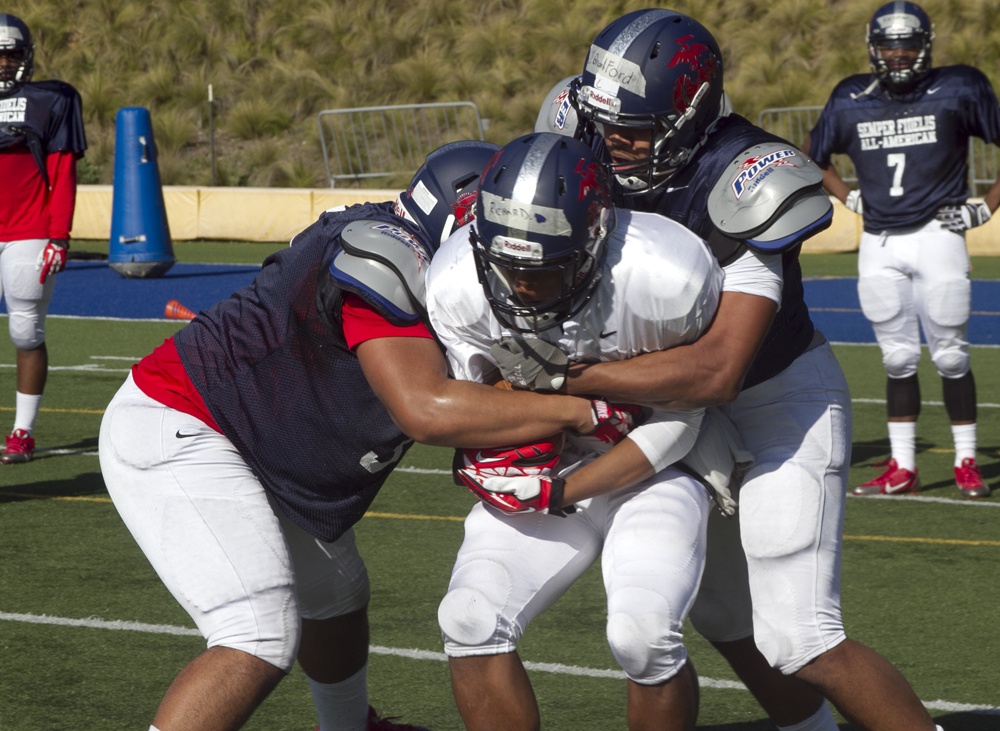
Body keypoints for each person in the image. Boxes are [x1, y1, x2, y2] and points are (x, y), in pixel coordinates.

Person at [500, 8, 948, 731]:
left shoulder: (746, 176)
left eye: (636, 129)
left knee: (801, 635)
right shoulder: (577, 120)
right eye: (604, 121)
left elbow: (718, 371)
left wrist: (567, 376)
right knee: (721, 612)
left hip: (775, 401)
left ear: (691, 114)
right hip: (662, 407)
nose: (611, 143)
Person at [98, 140, 626, 731]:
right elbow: (423, 410)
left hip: (263, 445)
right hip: (186, 425)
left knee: (339, 596)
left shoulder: (416, 248)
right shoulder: (389, 254)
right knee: (255, 633)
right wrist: (577, 413)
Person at [425, 132, 731, 730]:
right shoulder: (457, 279)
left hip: (656, 466)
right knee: (468, 617)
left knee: (643, 634)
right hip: (549, 464)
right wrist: (502, 453)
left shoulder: (666, 275)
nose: (519, 286)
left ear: (594, 240)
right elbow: (479, 404)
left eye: (542, 269)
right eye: (505, 265)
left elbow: (682, 416)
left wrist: (566, 490)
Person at [804, 0, 1000, 499]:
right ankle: (903, 466)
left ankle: (966, 461)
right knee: (896, 360)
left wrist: (985, 208)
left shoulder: (959, 86)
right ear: (874, 50)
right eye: (889, 47)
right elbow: (814, 154)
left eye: (907, 45)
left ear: (925, 46)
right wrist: (846, 194)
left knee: (952, 356)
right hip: (880, 243)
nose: (897, 56)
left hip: (939, 235)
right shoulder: (850, 96)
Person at [0, 12, 86, 464]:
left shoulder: (49, 99)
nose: (1, 63)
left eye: (9, 54)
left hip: (29, 230)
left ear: (25, 57)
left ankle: (22, 432)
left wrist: (59, 236)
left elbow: (62, 173)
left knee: (25, 325)